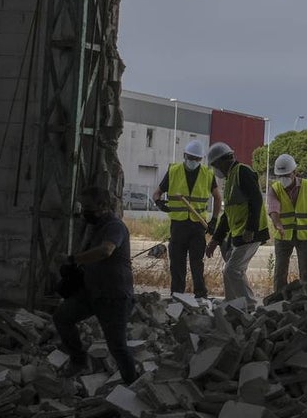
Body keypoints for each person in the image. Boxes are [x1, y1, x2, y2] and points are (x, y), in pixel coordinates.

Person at [53, 185, 138, 385]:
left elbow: (105, 251)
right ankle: (79, 360)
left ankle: (132, 385)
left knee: (117, 346)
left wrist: (72, 259)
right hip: (92, 292)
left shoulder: (114, 227)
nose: (84, 211)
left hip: (114, 296)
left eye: (88, 206)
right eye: (83, 206)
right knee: (62, 318)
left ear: (102, 205)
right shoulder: (93, 228)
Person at [151, 140, 222, 298]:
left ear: (201, 159)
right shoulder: (174, 171)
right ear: (184, 156)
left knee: (197, 263)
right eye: (191, 158)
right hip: (178, 226)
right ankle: (177, 295)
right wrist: (158, 203)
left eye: (197, 159)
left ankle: (200, 294)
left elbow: (217, 198)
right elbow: (157, 193)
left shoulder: (207, 174)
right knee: (177, 263)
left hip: (197, 227)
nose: (193, 162)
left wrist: (214, 220)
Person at [204, 142, 268, 303]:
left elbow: (256, 199)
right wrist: (216, 239)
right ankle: (231, 303)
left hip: (251, 233)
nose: (215, 169)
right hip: (239, 233)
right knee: (234, 269)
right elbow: (228, 214)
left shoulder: (242, 172)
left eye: (214, 165)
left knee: (232, 270)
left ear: (221, 162)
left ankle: (249, 305)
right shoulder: (230, 178)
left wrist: (250, 228)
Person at [267, 153, 307, 292]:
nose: (283, 179)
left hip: (305, 237)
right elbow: (273, 209)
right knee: (280, 271)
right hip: (283, 236)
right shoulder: (275, 189)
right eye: (280, 176)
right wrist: (278, 224)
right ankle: (278, 298)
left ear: (295, 172)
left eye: (286, 175)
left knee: (306, 270)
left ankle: (306, 298)